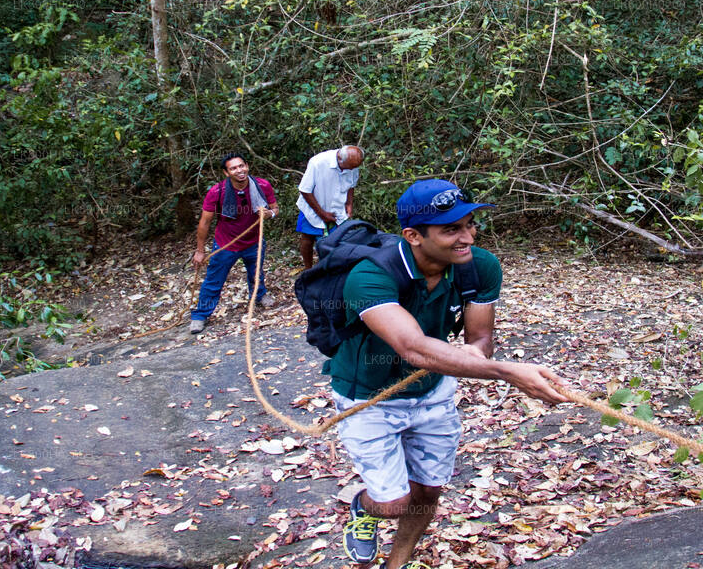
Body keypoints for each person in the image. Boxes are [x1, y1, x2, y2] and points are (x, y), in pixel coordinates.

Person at [329, 179, 570, 568]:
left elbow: (480, 339)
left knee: (427, 491)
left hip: (434, 393)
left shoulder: (480, 267)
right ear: (414, 236)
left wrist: (479, 360)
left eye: (470, 224)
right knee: (393, 504)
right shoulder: (369, 276)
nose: (467, 237)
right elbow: (413, 347)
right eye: (451, 229)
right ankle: (364, 507)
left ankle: (398, 563)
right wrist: (509, 373)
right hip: (368, 396)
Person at [188, 153, 278, 335]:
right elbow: (205, 222)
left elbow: (275, 208)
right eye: (233, 168)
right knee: (213, 280)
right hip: (225, 245)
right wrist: (199, 250)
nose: (239, 171)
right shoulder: (217, 191)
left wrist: (270, 214)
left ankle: (260, 296)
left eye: (241, 166)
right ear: (226, 172)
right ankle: (200, 315)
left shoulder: (262, 185)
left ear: (247, 166)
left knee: (256, 273)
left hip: (254, 242)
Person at [296, 145, 364, 269]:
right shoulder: (318, 162)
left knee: (338, 239)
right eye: (349, 167)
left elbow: (351, 185)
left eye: (353, 168)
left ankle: (330, 269)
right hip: (313, 205)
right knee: (308, 237)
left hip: (337, 206)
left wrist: (349, 203)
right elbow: (305, 190)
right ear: (339, 158)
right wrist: (321, 213)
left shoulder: (352, 165)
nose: (351, 170)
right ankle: (308, 269)